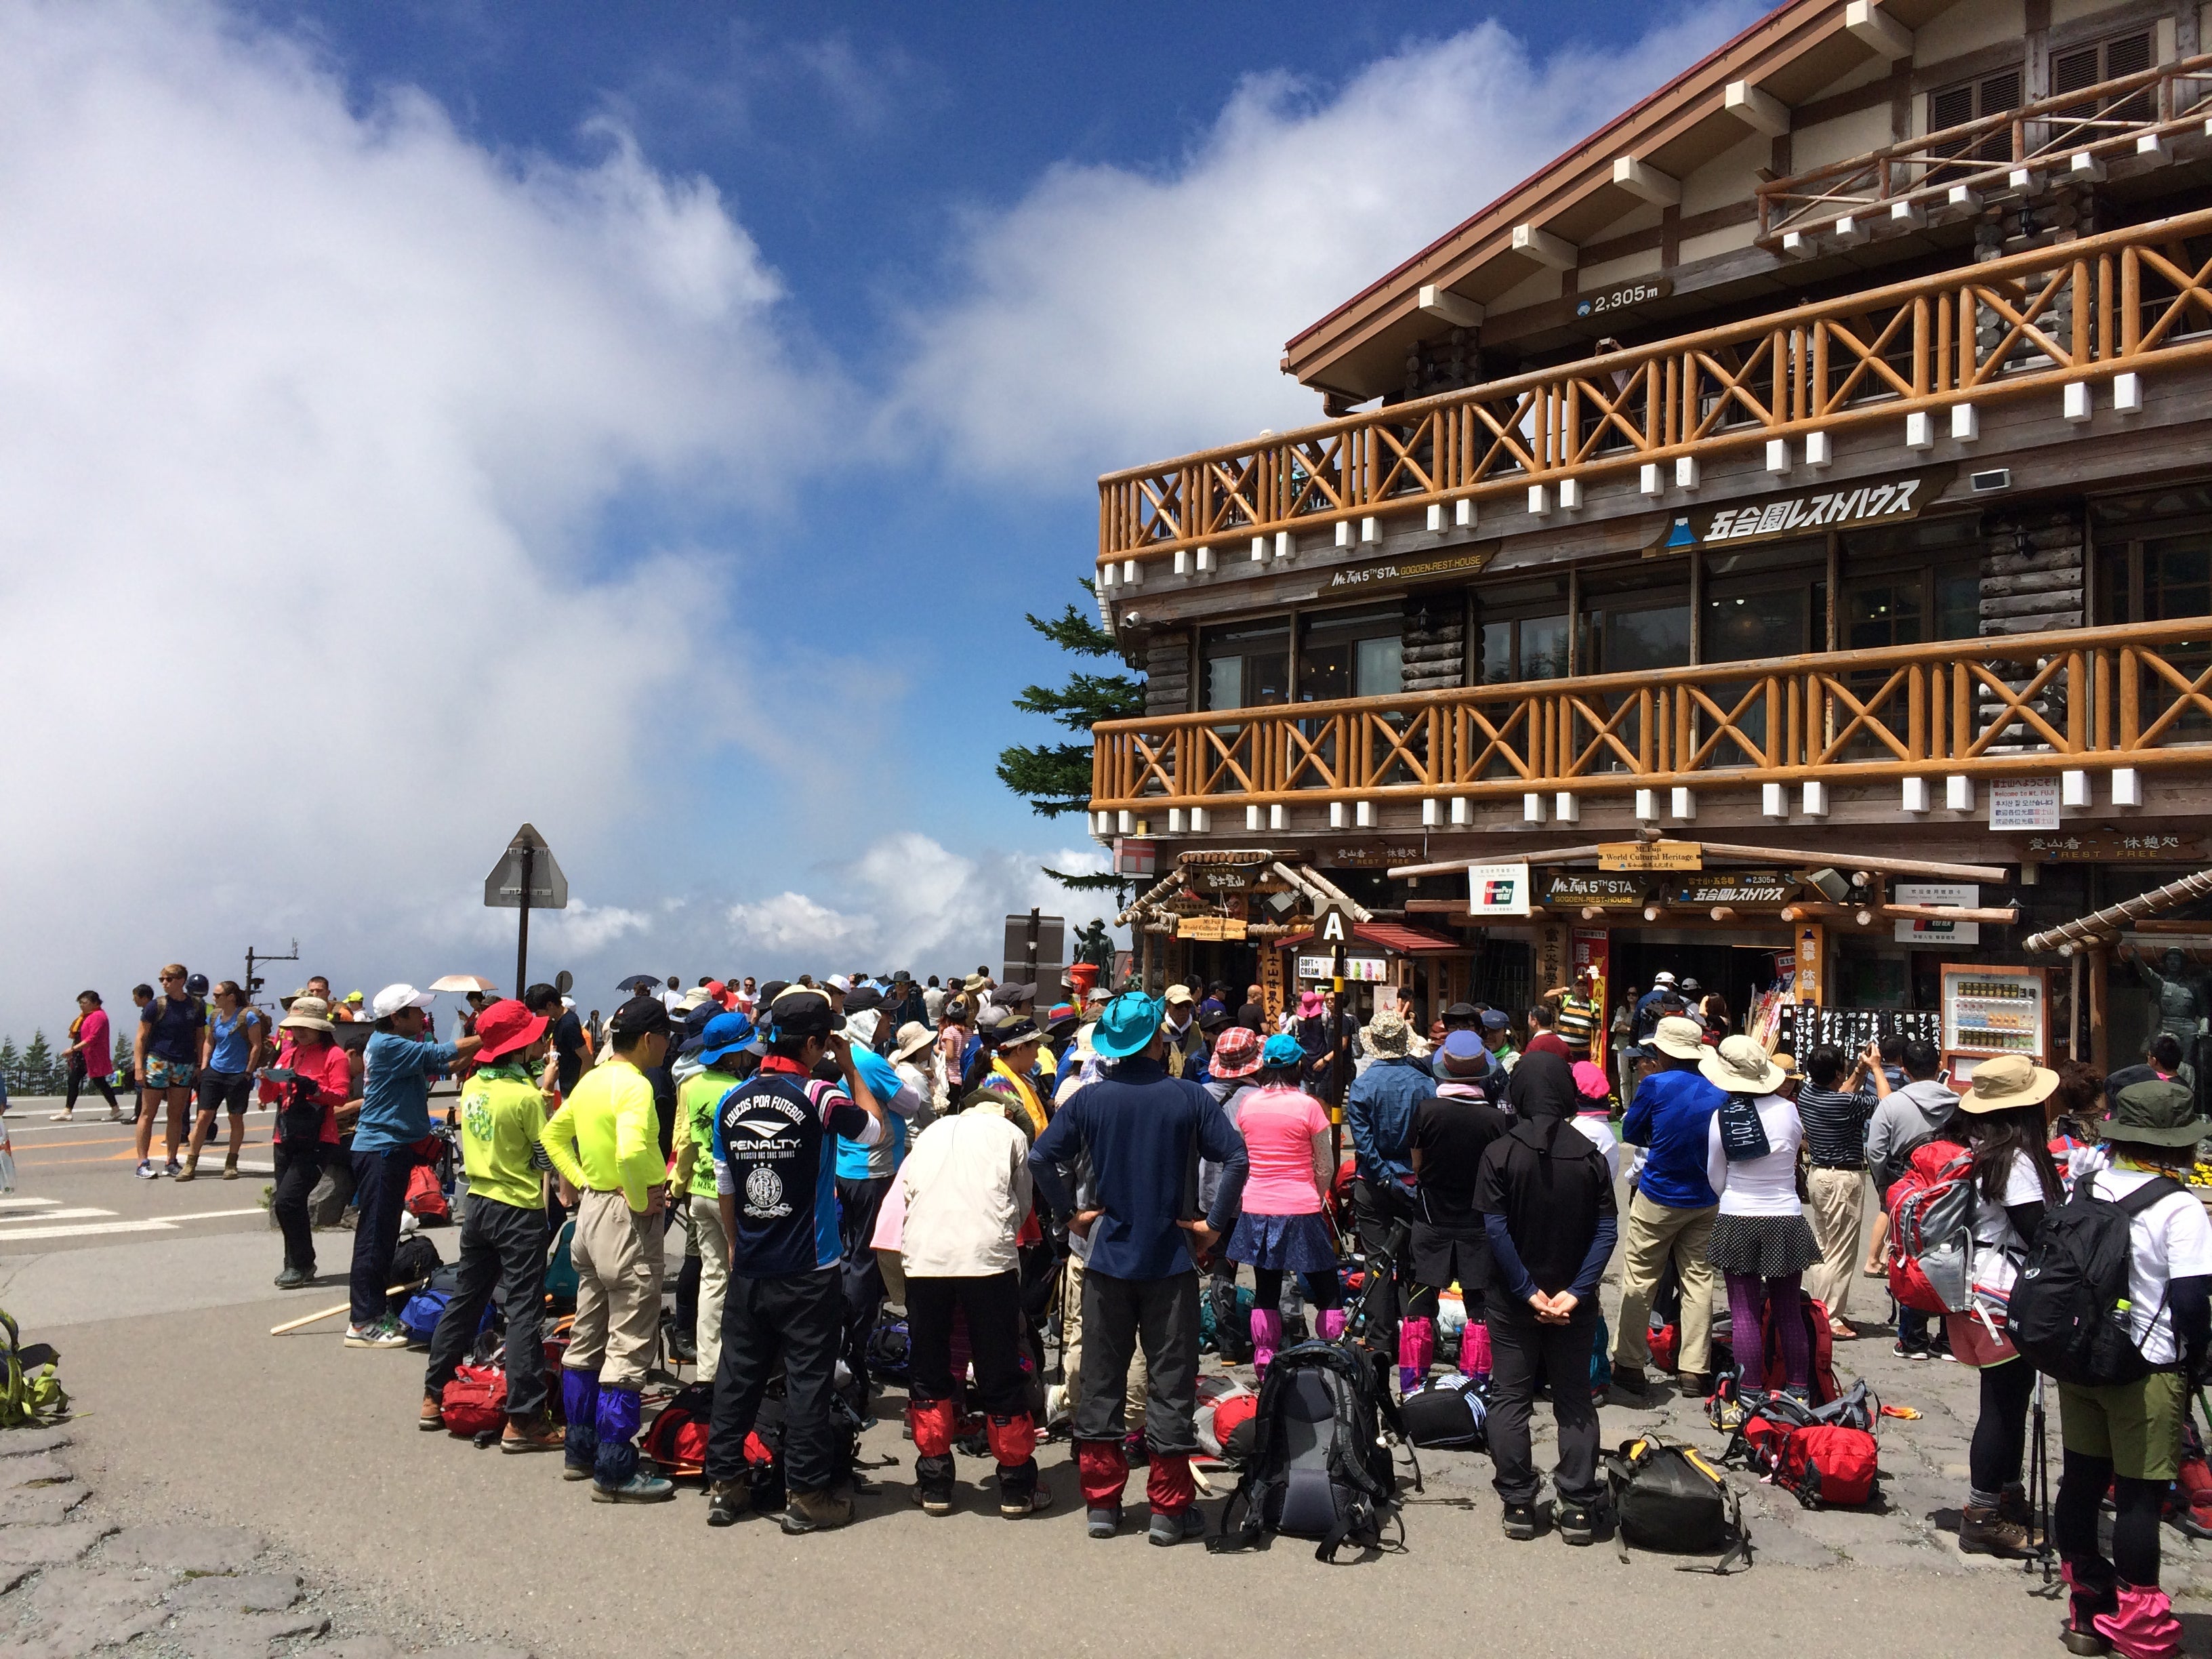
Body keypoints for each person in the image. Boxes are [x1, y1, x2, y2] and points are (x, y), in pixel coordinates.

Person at [1028, 991, 1248, 1548]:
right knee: (1170, 1383)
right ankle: (1168, 1511)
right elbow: (1236, 1157)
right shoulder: (1189, 1097)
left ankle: (1102, 1505)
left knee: (1101, 1378)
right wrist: (1213, 1226)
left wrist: (1068, 1216)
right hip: (1170, 1260)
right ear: (1157, 1041)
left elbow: (1041, 1158)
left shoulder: (1088, 1100)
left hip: (1106, 1260)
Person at [702, 987, 886, 1534]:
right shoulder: (821, 1095)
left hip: (752, 1263)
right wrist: (852, 1067)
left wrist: (737, 1245)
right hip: (811, 1266)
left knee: (737, 1377)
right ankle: (806, 1494)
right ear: (813, 1043)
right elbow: (873, 1132)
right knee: (808, 1381)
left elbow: (726, 1186)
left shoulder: (732, 1100)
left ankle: (726, 1485)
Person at [2051, 1078, 2212, 1656]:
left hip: (2080, 1358)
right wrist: (2201, 1358)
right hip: (2148, 1366)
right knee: (2141, 1498)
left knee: (2083, 1481)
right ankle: (2140, 1626)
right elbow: (2192, 1302)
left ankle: (2087, 1612)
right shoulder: (2180, 1207)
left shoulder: (2087, 1184)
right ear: (2181, 1145)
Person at [1477, 1048, 1618, 1543]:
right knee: (1574, 1398)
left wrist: (1526, 1290)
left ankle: (1518, 1502)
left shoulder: (1500, 1153)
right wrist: (1576, 1292)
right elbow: (1606, 1231)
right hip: (1573, 1303)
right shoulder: (1591, 1156)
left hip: (1514, 1301)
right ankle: (1577, 1505)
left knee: (1511, 1397)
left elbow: (1495, 1230)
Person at [1930, 1053, 2066, 1558]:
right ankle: (1982, 1515)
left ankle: (2006, 1497)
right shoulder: (2017, 1160)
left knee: (2006, 1399)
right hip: (2003, 1295)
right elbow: (2038, 1234)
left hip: (1977, 1291)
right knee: (2004, 1407)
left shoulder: (1983, 1147)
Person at [895, 1073, 1048, 1519]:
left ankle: (935, 1482)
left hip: (925, 1258)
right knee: (999, 1370)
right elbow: (1021, 1207)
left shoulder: (932, 1133)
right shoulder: (1011, 1135)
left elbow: (909, 1192)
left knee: (929, 1370)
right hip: (987, 1263)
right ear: (1008, 1112)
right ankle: (1017, 1486)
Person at [541, 995, 675, 1501]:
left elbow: (553, 1136)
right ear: (648, 1040)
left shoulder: (593, 1080)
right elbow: (634, 1147)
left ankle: (580, 1450)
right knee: (629, 1344)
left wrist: (577, 1181)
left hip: (591, 1211)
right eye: (666, 1036)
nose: (668, 1046)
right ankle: (617, 1467)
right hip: (626, 1216)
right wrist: (642, 1197)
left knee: (587, 1336)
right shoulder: (636, 1085)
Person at [420, 999, 562, 1454]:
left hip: (477, 1202)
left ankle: (433, 1393)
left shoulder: (475, 1083)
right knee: (524, 1310)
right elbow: (544, 1157)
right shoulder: (525, 1097)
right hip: (518, 1207)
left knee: (465, 1299)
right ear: (521, 1045)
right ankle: (524, 1419)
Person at [346, 985, 482, 1350]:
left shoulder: (397, 1047)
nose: (423, 1017)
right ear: (396, 1017)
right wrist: (487, 1034)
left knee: (384, 1233)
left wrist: (479, 1046)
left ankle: (372, 1314)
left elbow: (448, 1063)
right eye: (415, 1011)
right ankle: (363, 1323)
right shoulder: (388, 1045)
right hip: (380, 1149)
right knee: (374, 1237)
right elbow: (442, 1052)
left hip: (390, 1148)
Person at [1611, 1015, 1725, 1399]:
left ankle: (1628, 1362)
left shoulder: (1655, 1084)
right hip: (1706, 1196)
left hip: (1659, 1193)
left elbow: (1632, 1132)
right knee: (1698, 1281)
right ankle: (1695, 1369)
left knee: (1641, 1277)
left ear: (1661, 1051)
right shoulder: (1719, 1089)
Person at [1702, 1036, 1820, 1402]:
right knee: (1789, 1311)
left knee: (1744, 1312)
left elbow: (1714, 1175)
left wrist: (1734, 1197)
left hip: (1739, 1215)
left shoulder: (1722, 1116)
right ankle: (1799, 1391)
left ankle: (1749, 1393)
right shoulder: (1789, 1110)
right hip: (1785, 1216)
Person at [1223, 1033, 1340, 1378]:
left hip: (1257, 1206)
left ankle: (1264, 1360)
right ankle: (1331, 1353)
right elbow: (1325, 1164)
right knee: (1326, 1285)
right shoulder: (1308, 1107)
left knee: (1266, 1287)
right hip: (1302, 1206)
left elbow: (1243, 1157)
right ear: (1298, 1066)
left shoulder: (1249, 1105)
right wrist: (1316, 1194)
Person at [1411, 1032, 1511, 1387]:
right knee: (1478, 1300)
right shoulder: (1496, 1121)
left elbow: (1418, 1165)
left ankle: (1412, 1382)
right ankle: (1477, 1382)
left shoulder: (1427, 1111)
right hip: (1478, 1218)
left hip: (1432, 1214)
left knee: (1421, 1294)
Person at [1344, 1008, 1436, 1391]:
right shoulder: (1425, 1084)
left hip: (1374, 1185)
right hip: (1417, 1184)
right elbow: (1429, 1139)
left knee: (1379, 1262)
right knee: (1418, 1265)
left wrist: (1384, 1176)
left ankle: (1382, 1340)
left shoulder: (1364, 1086)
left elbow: (1363, 1145)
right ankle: (1416, 1343)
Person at [673, 1011, 760, 1386]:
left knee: (712, 1279)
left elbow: (686, 1142)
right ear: (734, 1054)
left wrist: (678, 1185)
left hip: (698, 1192)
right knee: (741, 1278)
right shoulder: (740, 1091)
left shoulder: (690, 1085)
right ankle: (739, 1362)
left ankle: (708, 1369)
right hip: (732, 1197)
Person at [1866, 1037, 1961, 1360]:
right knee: (1952, 1253)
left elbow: (1875, 1150)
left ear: (1903, 1069)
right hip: (1952, 1190)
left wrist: (1883, 1184)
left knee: (1909, 1254)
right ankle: (1950, 1340)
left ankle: (1913, 1340)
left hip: (1908, 1189)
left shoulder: (1891, 1105)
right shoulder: (1958, 1103)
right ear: (1939, 1067)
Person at [1795, 1043, 1884, 1336]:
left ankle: (1820, 1309)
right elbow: (1888, 1103)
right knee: (1840, 1252)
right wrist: (1875, 1068)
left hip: (1820, 1176)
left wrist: (1858, 1069)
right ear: (1836, 1072)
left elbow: (1842, 1090)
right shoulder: (1845, 1104)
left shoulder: (1808, 1094)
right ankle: (1829, 1317)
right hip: (1843, 1180)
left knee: (1825, 1248)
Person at [267, 997, 356, 1288]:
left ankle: (302, 1262)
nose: (300, 1032)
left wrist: (313, 1088)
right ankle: (294, 1262)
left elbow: (340, 1096)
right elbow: (268, 1097)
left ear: (320, 1028)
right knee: (287, 1204)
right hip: (285, 1135)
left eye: (306, 1027)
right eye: (295, 1027)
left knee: (288, 1200)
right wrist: (267, 1078)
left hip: (318, 1138)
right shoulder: (287, 1054)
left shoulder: (335, 1056)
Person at [182, 981, 264, 1181]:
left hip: (238, 1074)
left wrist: (248, 1071)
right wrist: (204, 1066)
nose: (214, 998)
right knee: (203, 1117)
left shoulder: (248, 1017)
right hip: (214, 1072)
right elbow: (210, 1041)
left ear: (231, 997)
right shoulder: (215, 1016)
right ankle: (191, 1163)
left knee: (235, 1118)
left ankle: (231, 1162)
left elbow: (256, 1045)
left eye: (218, 995)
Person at [134, 964, 205, 1179]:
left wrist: (201, 1063)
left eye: (169, 979)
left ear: (181, 980)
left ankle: (171, 1160)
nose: (164, 982)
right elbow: (141, 1037)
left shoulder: (196, 1006)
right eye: (162, 979)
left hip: (184, 1063)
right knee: (148, 1113)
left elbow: (200, 1036)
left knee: (176, 1114)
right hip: (158, 1061)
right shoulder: (156, 1006)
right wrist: (139, 1067)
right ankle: (142, 1162)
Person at [54, 991, 121, 1122]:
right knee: (75, 1080)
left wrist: (73, 1049)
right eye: (80, 1002)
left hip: (92, 1055)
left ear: (95, 1003)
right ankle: (68, 1110)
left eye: (84, 1002)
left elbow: (92, 1038)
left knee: (98, 1082)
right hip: (83, 1054)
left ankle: (115, 1108)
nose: (81, 1005)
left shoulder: (98, 1016)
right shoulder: (86, 1016)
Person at [1480, 1008, 1519, 1074]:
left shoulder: (1516, 1062)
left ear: (1505, 1032)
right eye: (1485, 1031)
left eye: (1493, 1031)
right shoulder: (1473, 1059)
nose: (1488, 1036)